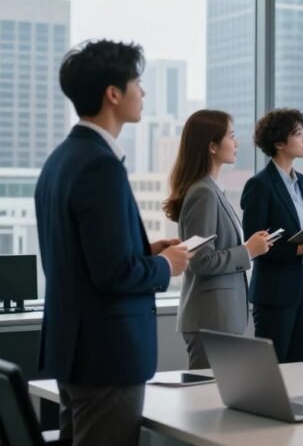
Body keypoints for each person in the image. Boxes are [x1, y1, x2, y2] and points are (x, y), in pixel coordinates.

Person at [34, 40, 191, 446]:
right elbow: (112, 273)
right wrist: (166, 266)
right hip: (107, 355)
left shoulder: (60, 160)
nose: (144, 93)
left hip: (75, 350)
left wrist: (146, 252)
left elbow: (81, 259)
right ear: (113, 93)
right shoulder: (100, 165)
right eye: (138, 82)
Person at [164, 109, 274, 369]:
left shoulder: (212, 189)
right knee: (207, 399)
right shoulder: (203, 192)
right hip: (211, 318)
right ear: (212, 146)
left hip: (222, 316)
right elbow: (200, 261)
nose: (237, 143)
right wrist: (247, 251)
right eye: (231, 136)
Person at [241, 108, 303, 363]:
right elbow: (255, 243)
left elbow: (301, 233)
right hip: (275, 290)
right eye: (297, 133)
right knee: (273, 366)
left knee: (299, 364)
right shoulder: (259, 185)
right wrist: (301, 249)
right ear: (279, 143)